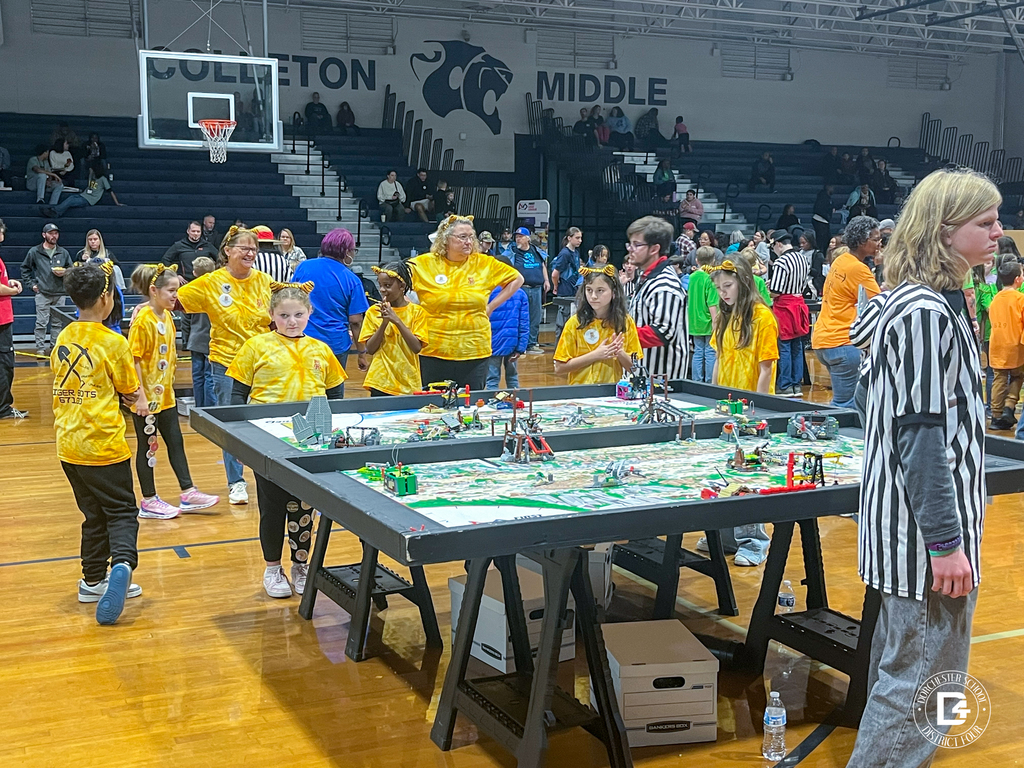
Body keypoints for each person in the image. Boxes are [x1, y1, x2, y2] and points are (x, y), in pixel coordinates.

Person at [849, 168, 999, 768]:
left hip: (919, 532)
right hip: (923, 541)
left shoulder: (920, 303)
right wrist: (945, 542)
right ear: (943, 229)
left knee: (918, 684)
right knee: (920, 690)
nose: (998, 233)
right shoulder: (923, 311)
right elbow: (919, 435)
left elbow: (872, 401)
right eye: (985, 222)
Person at [227, 286, 346, 598]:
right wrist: (239, 442)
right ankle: (272, 567)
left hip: (310, 442)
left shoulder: (321, 349)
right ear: (271, 315)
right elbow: (237, 396)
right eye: (283, 315)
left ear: (309, 313)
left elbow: (336, 395)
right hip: (266, 440)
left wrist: (332, 434)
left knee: (304, 506)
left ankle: (301, 564)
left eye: (298, 315)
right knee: (272, 506)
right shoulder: (255, 346)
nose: (291, 321)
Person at [52, 262, 143, 624]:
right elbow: (129, 388)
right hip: (103, 446)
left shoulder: (64, 336)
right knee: (121, 511)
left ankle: (92, 580)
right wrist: (133, 396)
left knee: (93, 514)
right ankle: (122, 564)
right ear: (106, 298)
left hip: (68, 444)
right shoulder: (113, 341)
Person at [177, 226, 275, 505]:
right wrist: (150, 305)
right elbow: (176, 299)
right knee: (232, 423)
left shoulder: (265, 281)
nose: (250, 253)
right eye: (244, 247)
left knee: (264, 421)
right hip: (226, 363)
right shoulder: (212, 281)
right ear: (228, 251)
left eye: (254, 248)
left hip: (262, 363)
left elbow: (275, 319)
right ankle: (236, 482)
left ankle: (268, 475)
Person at [127, 264, 219, 520]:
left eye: (177, 290)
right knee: (147, 447)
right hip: (146, 399)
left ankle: (188, 492)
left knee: (176, 442)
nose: (175, 295)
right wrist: (140, 396)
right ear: (154, 290)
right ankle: (148, 500)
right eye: (171, 290)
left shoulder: (166, 316)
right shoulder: (143, 321)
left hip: (165, 397)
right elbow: (133, 359)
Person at [709, 256, 779, 566]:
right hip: (725, 407)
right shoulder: (725, 316)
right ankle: (725, 535)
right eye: (719, 288)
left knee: (748, 473)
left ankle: (753, 541)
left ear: (744, 282)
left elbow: (766, 368)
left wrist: (758, 411)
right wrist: (711, 398)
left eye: (728, 286)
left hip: (750, 411)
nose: (723, 293)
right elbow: (719, 359)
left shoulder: (762, 317)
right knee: (723, 470)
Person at [408, 216, 524, 390]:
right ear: (445, 239)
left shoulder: (484, 263)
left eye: (471, 237)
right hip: (434, 350)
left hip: (475, 350)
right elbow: (394, 281)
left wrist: (491, 306)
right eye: (462, 237)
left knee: (471, 402)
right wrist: (412, 312)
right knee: (435, 402)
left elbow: (518, 279)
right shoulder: (424, 263)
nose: (469, 242)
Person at [811, 216, 881, 408]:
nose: (879, 244)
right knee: (846, 406)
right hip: (843, 342)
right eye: (875, 239)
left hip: (823, 339)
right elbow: (881, 303)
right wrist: (882, 266)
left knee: (845, 402)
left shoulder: (841, 260)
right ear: (861, 241)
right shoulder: (859, 269)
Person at [293, 228, 370, 384]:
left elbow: (291, 297)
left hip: (304, 339)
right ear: (347, 252)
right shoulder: (352, 280)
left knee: (303, 386)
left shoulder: (304, 267)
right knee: (333, 389)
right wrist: (362, 352)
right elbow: (356, 321)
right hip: (335, 344)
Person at [554, 265, 641, 385]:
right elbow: (559, 368)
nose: (593, 296)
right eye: (589, 290)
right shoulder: (575, 323)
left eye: (600, 290)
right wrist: (595, 355)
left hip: (611, 391)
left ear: (614, 292)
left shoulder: (625, 322)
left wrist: (620, 352)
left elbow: (634, 368)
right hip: (579, 391)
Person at [626, 216, 689, 379]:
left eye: (636, 244)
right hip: (643, 374)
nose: (630, 249)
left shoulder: (665, 285)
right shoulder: (648, 277)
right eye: (630, 244)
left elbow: (662, 332)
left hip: (660, 381)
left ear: (654, 249)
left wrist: (621, 335)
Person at [359, 262, 428, 396]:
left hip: (408, 381)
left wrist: (396, 320)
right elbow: (371, 349)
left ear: (402, 286)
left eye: (387, 285)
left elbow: (416, 347)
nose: (382, 290)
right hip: (380, 381)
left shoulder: (417, 312)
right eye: (380, 285)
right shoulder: (373, 312)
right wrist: (384, 323)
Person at [767, 231, 810, 397]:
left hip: (784, 307)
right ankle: (796, 385)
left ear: (778, 244)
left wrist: (767, 289)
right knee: (797, 345)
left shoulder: (781, 262)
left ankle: (785, 385)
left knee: (784, 346)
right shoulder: (802, 258)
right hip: (799, 304)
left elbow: (776, 291)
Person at [22, 222, 73, 354]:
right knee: (41, 323)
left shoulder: (63, 252)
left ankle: (55, 348)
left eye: (56, 233)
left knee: (57, 323)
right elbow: (25, 269)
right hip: (43, 292)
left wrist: (65, 272)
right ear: (44, 235)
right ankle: (40, 348)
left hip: (60, 292)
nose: (54, 236)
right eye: (51, 233)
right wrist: (32, 285)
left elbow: (71, 269)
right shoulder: (35, 251)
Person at [985, 259, 1024, 430]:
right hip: (1016, 344)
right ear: (1017, 279)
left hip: (997, 345)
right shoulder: (1020, 298)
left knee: (999, 379)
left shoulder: (996, 299)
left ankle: (995, 416)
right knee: (1017, 376)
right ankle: (1009, 406)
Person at [182, 256, 217, 410]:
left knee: (197, 376)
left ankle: (198, 408)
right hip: (212, 339)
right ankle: (209, 411)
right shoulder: (218, 290)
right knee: (210, 376)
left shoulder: (191, 291)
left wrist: (185, 340)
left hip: (195, 339)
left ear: (195, 273)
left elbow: (185, 319)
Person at [0, 219, 27, 419]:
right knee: (5, 363)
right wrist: (12, 291)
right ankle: (3, 408)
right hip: (2, 319)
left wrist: (8, 283)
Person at [508, 226, 550, 354]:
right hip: (521, 289)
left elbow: (542, 265)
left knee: (535, 317)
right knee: (520, 316)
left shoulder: (536, 251)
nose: (518, 239)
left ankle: (531, 344)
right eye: (516, 237)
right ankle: (519, 345)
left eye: (521, 237)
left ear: (527, 238)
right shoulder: (512, 251)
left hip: (536, 288)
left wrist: (546, 280)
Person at [486, 278, 529, 390]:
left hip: (492, 343)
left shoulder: (487, 292)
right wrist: (520, 348)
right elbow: (524, 323)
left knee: (491, 380)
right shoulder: (520, 293)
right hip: (512, 344)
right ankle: (515, 400)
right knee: (513, 378)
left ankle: (491, 399)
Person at [43, 160, 123, 218]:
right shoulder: (92, 175)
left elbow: (110, 191)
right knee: (71, 197)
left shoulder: (103, 179)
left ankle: (55, 212)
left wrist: (117, 203)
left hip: (90, 199)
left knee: (71, 201)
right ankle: (55, 210)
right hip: (84, 195)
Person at [687, 246, 719, 383]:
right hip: (708, 320)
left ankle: (696, 381)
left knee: (698, 352)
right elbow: (712, 303)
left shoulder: (691, 277)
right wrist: (716, 322)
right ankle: (710, 382)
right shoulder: (710, 278)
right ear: (713, 260)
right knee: (710, 352)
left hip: (694, 320)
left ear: (696, 260)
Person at [551, 227, 583, 342]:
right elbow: (555, 274)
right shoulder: (565, 254)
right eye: (577, 238)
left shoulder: (576, 253)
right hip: (565, 291)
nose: (580, 240)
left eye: (581, 238)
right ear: (569, 238)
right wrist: (555, 286)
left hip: (573, 291)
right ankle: (560, 348)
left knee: (572, 322)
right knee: (563, 323)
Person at [799, 231, 826, 298]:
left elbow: (817, 272)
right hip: (799, 283)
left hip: (811, 284)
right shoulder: (799, 252)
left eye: (804, 243)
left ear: (810, 242)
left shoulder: (817, 254)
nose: (801, 245)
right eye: (800, 243)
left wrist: (804, 268)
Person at [812, 184, 834, 257]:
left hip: (824, 220)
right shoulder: (823, 197)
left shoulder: (827, 197)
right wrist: (827, 215)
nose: (833, 189)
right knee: (821, 241)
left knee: (826, 240)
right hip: (820, 219)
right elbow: (819, 209)